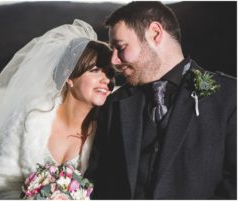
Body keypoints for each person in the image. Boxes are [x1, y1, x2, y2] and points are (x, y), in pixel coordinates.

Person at [0, 19, 114, 199]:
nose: (106, 80)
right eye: (95, 70)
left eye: (109, 72)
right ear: (69, 76)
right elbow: (2, 181)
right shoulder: (30, 116)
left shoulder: (108, 126)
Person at [85, 1, 236, 199]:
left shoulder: (230, 96)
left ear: (155, 33)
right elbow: (99, 182)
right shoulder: (114, 104)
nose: (114, 60)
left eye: (120, 47)